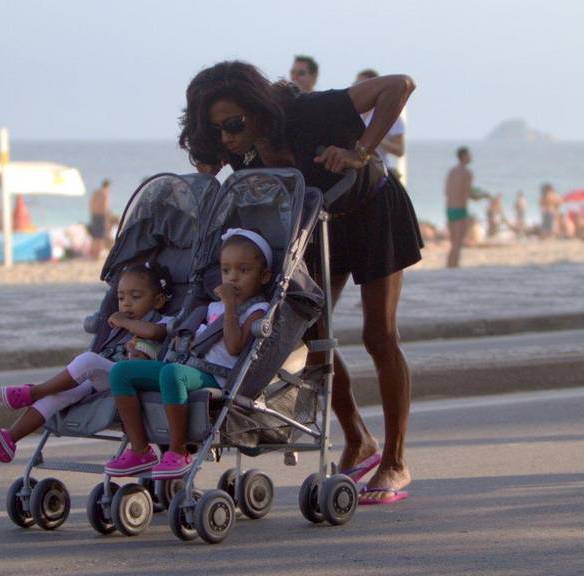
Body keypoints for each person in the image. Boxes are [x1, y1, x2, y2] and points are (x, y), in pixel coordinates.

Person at [179, 61, 421, 503]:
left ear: (256, 108)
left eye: (234, 124)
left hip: (373, 213)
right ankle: (358, 438)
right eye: (217, 130)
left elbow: (399, 86)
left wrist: (361, 150)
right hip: (318, 227)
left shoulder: (310, 111)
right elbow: (207, 175)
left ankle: (395, 461)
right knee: (307, 330)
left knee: (379, 335)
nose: (228, 137)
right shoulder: (234, 147)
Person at [105, 229, 272, 478]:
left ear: (265, 276)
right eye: (226, 271)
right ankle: (140, 449)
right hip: (189, 365)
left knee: (173, 374)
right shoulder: (212, 306)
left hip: (218, 376)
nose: (233, 278)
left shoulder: (257, 310)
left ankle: (178, 449)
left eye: (243, 271)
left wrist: (230, 308)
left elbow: (234, 347)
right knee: (121, 372)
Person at [0, 263, 174, 463]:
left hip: (133, 380)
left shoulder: (163, 321)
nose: (127, 304)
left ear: (157, 301)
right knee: (57, 395)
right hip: (106, 377)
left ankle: (33, 392)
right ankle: (10, 438)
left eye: (136, 297)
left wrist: (124, 323)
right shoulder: (119, 326)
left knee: (88, 360)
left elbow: (153, 333)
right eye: (121, 298)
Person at [355, 69, 405, 176]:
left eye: (362, 85)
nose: (358, 88)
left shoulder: (388, 113)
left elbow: (400, 150)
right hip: (356, 170)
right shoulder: (353, 111)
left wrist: (374, 135)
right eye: (356, 84)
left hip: (379, 171)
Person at [445, 147, 489, 268]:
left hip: (449, 208)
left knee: (453, 243)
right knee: (458, 243)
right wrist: (483, 196)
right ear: (464, 156)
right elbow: (468, 194)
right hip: (460, 209)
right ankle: (454, 267)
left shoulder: (451, 171)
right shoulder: (467, 173)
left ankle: (449, 266)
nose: (471, 157)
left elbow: (447, 191)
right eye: (469, 155)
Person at [89, 179, 112, 260]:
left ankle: (92, 254)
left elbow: (91, 204)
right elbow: (105, 207)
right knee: (100, 237)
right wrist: (107, 220)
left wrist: (92, 215)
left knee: (95, 236)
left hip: (95, 215)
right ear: (108, 186)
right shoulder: (105, 194)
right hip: (101, 216)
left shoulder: (96, 193)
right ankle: (97, 256)